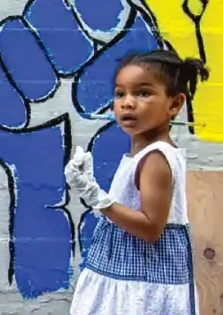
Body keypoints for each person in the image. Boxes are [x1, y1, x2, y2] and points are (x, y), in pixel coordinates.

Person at [65, 49, 209, 315]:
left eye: (143, 93)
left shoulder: (155, 158)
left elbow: (151, 228)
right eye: (120, 93)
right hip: (126, 277)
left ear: (174, 105)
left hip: (142, 286)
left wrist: (96, 196)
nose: (127, 103)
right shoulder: (142, 153)